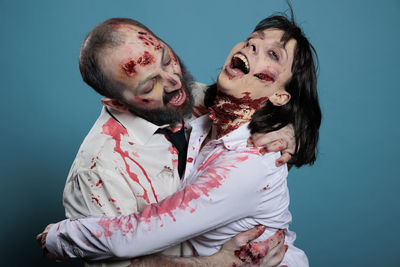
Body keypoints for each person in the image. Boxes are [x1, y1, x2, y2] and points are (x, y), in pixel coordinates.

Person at [39, 13, 321, 267]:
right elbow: (128, 246)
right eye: (150, 84)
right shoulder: (98, 168)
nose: (174, 81)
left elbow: (276, 100)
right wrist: (219, 264)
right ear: (118, 103)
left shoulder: (201, 107)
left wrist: (290, 127)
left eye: (166, 59)